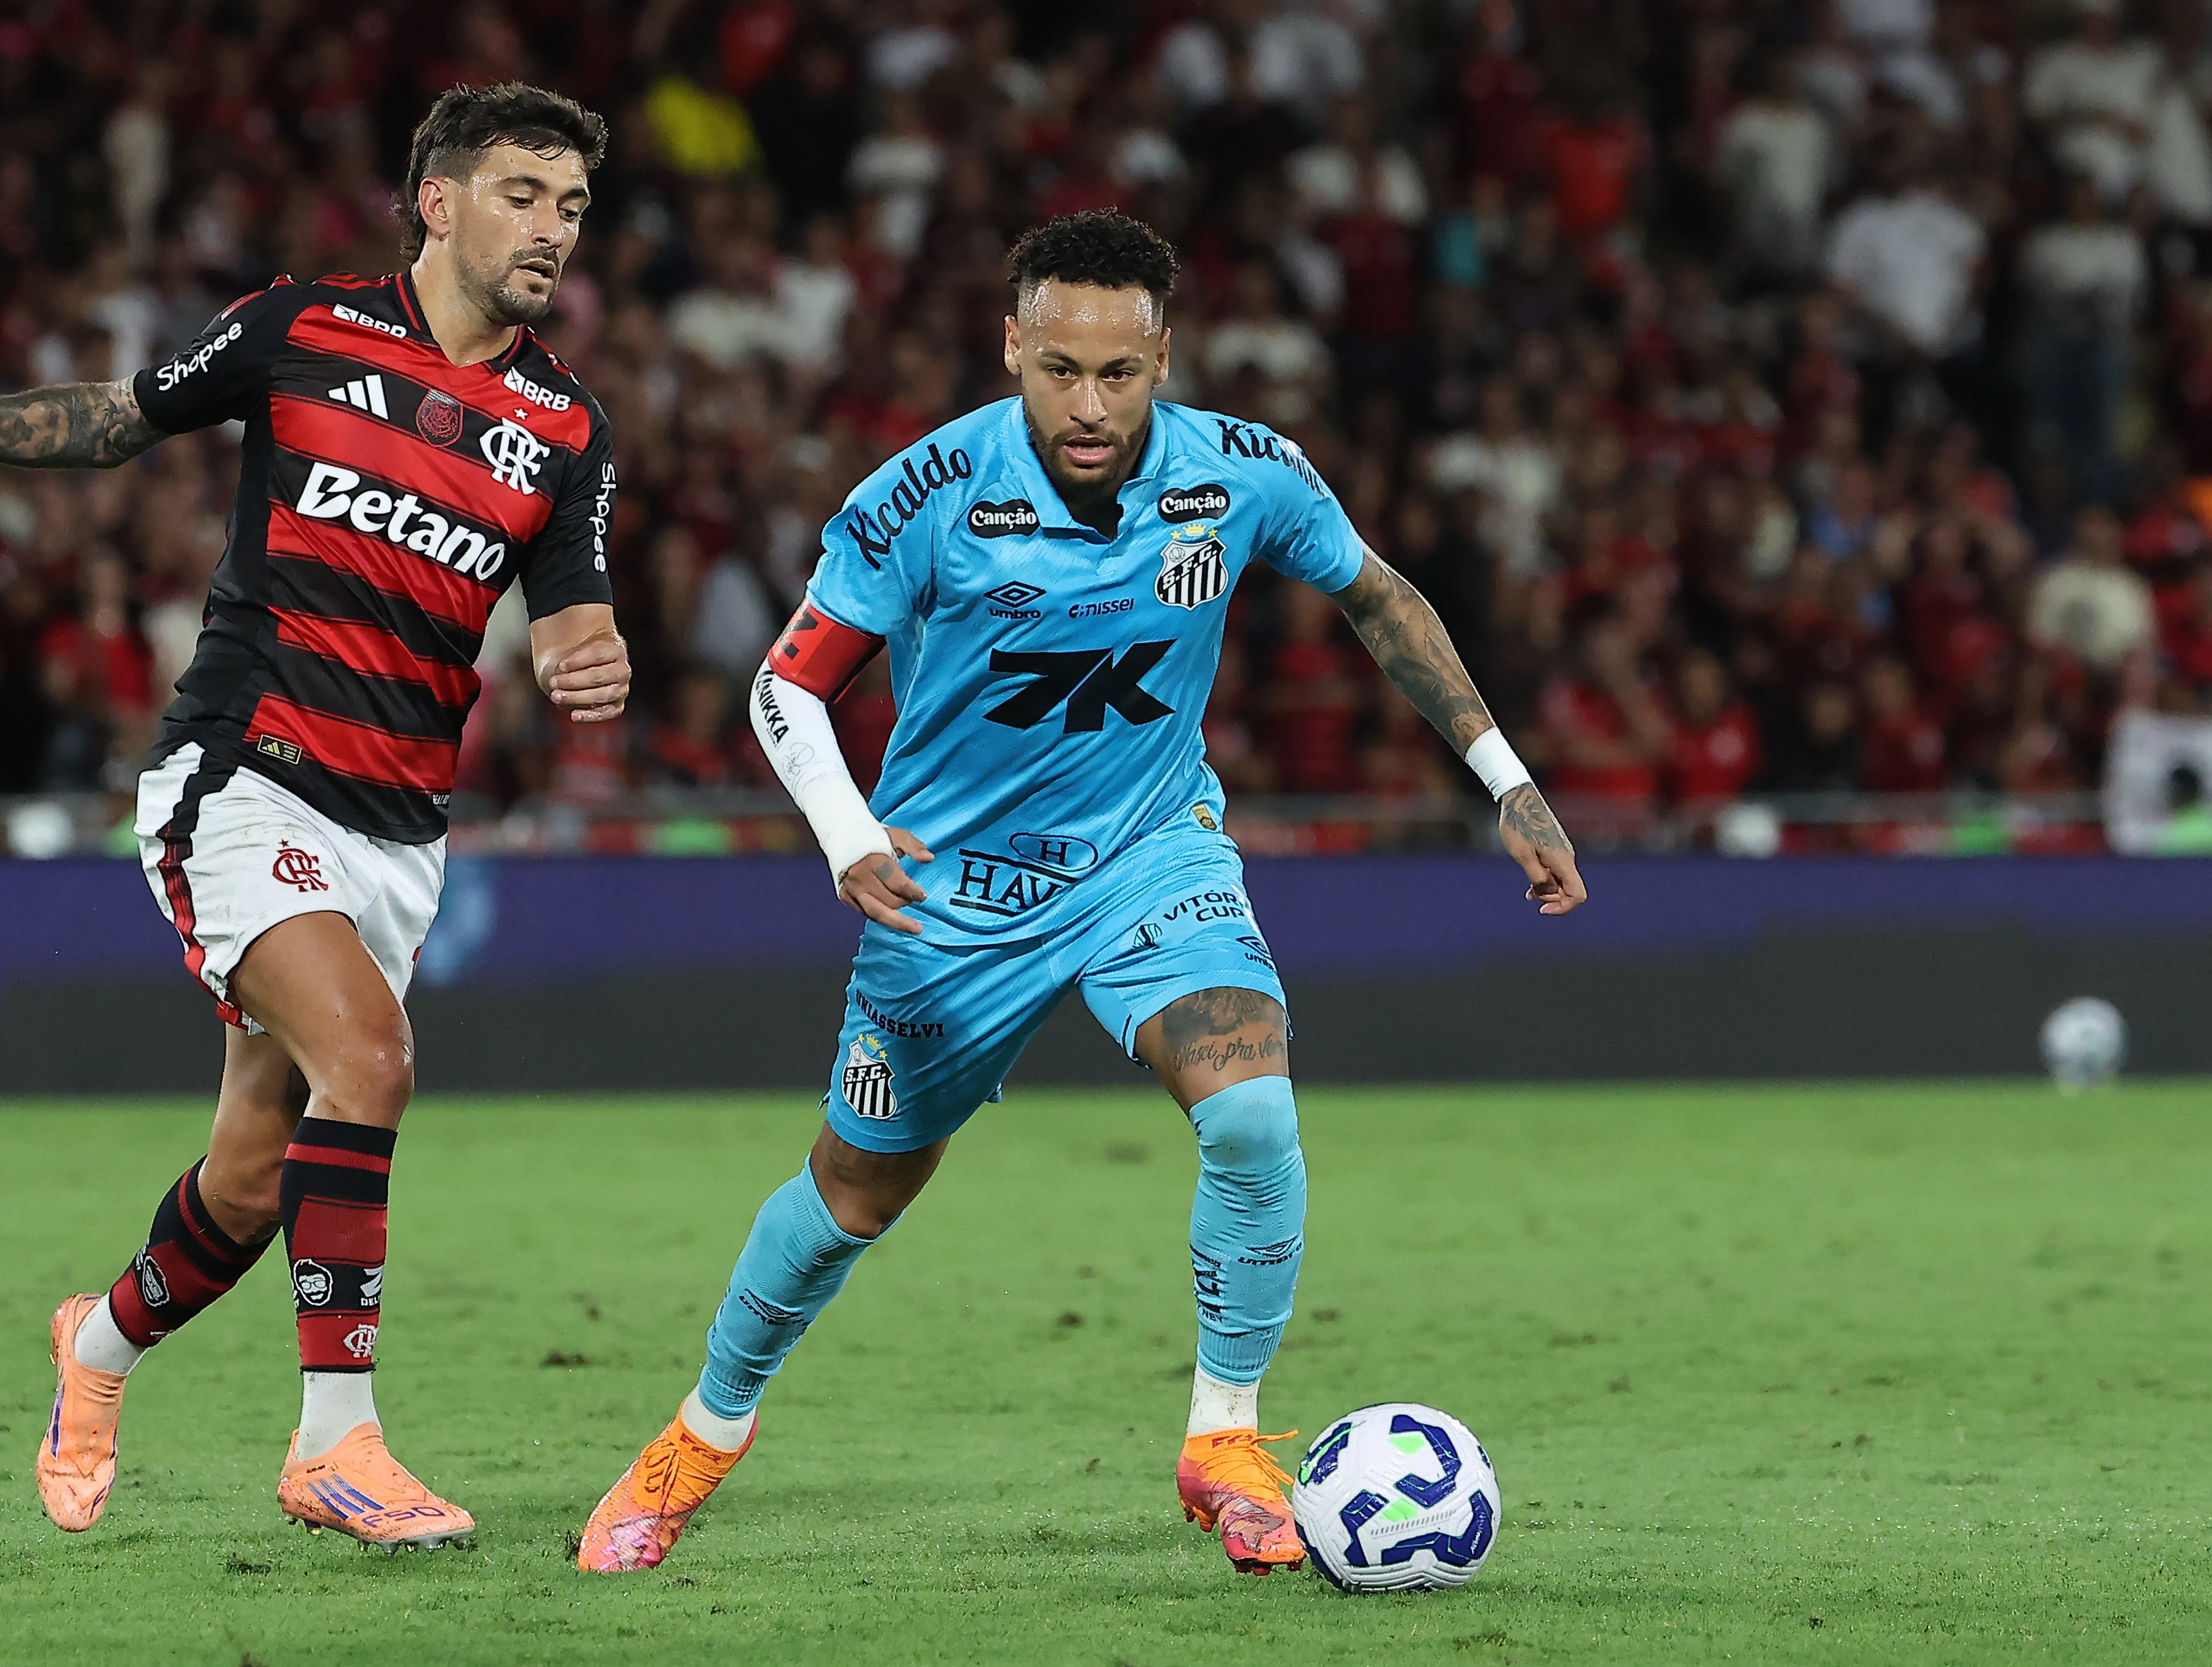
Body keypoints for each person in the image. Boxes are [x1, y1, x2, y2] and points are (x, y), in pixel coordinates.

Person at [575, 211, 1586, 1578]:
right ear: (1012, 348)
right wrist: (845, 834)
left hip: (1146, 857)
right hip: (947, 895)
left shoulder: (1243, 473)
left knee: (1253, 1107)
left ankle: (1223, 1440)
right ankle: (698, 1439)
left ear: (1165, 354)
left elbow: (1383, 599)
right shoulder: (925, 494)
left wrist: (1508, 781)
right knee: (855, 1194)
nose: (1091, 403)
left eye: (1121, 371)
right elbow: (784, 684)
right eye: (1059, 370)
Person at [0, 83, 631, 1552]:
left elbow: (573, 610)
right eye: (521, 192)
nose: (551, 229)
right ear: (436, 201)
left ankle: (97, 1351)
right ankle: (337, 1447)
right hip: (244, 777)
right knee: (371, 1062)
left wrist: (589, 651)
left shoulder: (566, 426)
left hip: (401, 830)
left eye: (570, 205)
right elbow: (119, 421)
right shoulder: (301, 329)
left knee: (256, 1173)